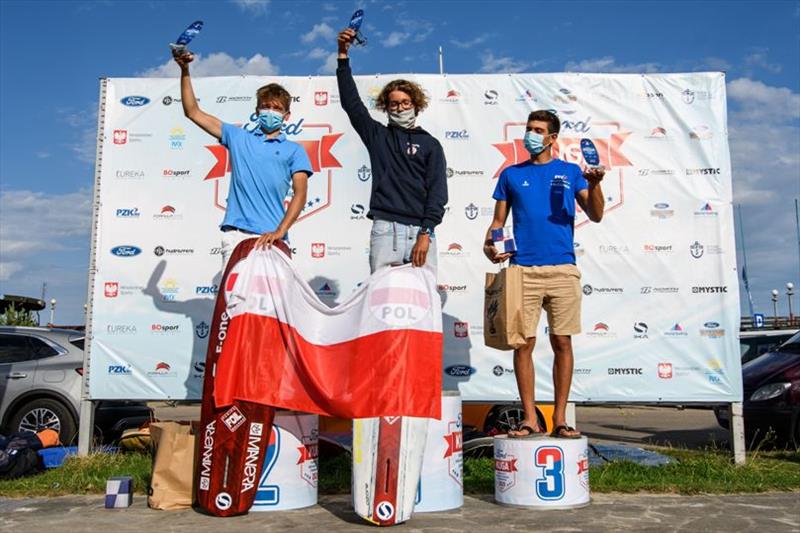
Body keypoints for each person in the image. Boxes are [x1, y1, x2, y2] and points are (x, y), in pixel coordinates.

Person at [483, 110, 605, 439]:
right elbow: (498, 223)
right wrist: (490, 243)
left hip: (563, 268)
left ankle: (561, 418)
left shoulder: (570, 172)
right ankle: (529, 419)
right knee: (523, 345)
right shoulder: (510, 175)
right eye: (528, 129)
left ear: (552, 137)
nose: (531, 135)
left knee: (562, 341)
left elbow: (596, 214)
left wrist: (594, 185)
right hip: (522, 269)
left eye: (538, 130)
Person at [172, 50, 313, 266]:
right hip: (236, 236)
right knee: (235, 300)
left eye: (277, 109)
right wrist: (185, 70)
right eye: (265, 107)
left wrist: (279, 231)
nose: (270, 111)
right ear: (256, 111)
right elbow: (193, 112)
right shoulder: (237, 137)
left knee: (273, 300)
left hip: (274, 237)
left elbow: (300, 195)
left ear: (286, 116)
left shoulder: (295, 150)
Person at [336, 28, 447, 274]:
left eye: (406, 103)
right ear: (386, 108)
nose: (400, 108)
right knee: (381, 301)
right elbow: (351, 104)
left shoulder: (431, 144)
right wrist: (343, 55)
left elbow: (438, 194)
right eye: (394, 104)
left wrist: (426, 232)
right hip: (386, 229)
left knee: (422, 299)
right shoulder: (378, 136)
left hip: (421, 231)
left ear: (416, 106)